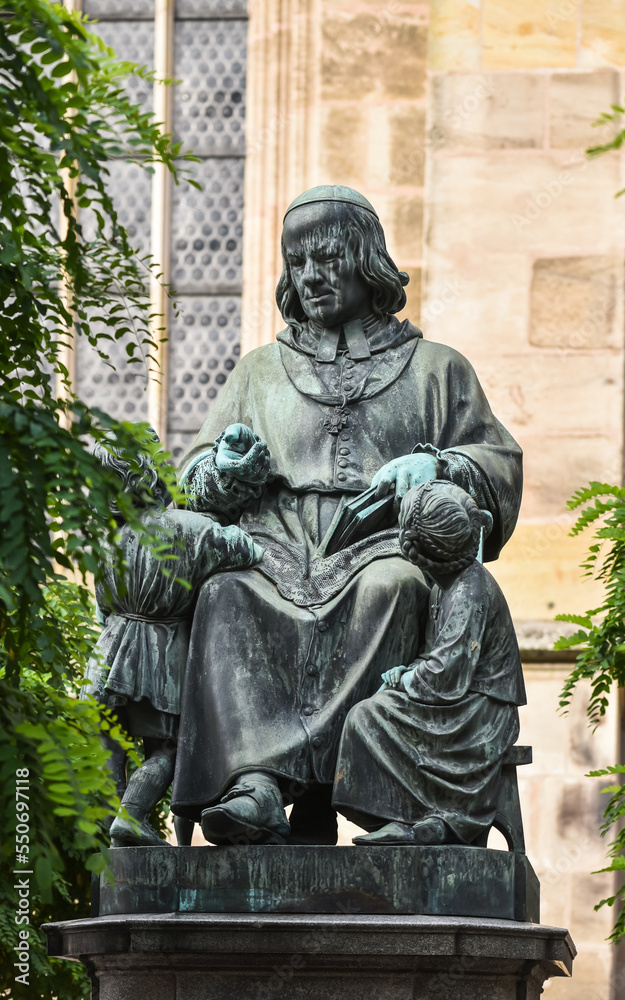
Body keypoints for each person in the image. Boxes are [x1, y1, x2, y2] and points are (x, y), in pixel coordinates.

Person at [170, 185, 523, 847]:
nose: (311, 276)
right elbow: (189, 479)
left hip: (386, 545)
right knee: (223, 596)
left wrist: (440, 468)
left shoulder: (437, 370)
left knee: (395, 590)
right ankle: (256, 786)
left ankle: (354, 784)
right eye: (298, 262)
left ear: (367, 263)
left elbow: (498, 464)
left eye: (327, 259)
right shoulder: (258, 372)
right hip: (272, 552)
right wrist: (227, 472)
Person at [80, 431, 262, 847]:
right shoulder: (191, 528)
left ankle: (112, 833)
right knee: (170, 748)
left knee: (109, 744)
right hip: (159, 655)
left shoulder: (108, 541)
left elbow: (102, 610)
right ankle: (132, 815)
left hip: (107, 656)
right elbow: (249, 550)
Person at [332, 481, 526, 845]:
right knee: (371, 713)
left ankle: (426, 820)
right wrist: (408, 671)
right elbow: (437, 657)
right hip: (458, 700)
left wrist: (406, 680)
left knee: (369, 717)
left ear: (420, 552)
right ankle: (409, 819)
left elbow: (448, 673)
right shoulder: (444, 585)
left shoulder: (470, 590)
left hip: (479, 713)